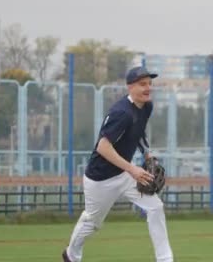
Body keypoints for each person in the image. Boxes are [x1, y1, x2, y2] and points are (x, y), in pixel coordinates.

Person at [62, 66, 174, 262]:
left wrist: (146, 154)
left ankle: (165, 259)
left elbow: (137, 132)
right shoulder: (121, 113)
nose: (148, 88)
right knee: (93, 223)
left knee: (155, 207)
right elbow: (103, 147)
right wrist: (132, 168)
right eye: (142, 84)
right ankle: (71, 254)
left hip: (124, 174)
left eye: (149, 83)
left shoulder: (146, 106)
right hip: (100, 178)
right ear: (130, 87)